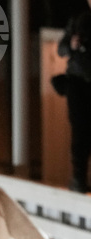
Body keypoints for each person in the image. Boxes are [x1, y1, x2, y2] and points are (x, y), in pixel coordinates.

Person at [58, 0, 91, 193]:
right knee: (80, 133)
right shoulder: (78, 21)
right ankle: (78, 179)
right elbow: (61, 49)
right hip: (78, 85)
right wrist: (72, 45)